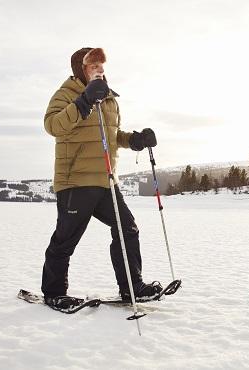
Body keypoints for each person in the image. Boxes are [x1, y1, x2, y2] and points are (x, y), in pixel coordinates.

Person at [41, 47, 162, 309]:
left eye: (101, 65)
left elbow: (112, 135)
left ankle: (132, 287)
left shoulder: (108, 98)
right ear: (80, 69)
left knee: (127, 228)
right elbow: (53, 126)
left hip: (106, 182)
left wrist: (136, 140)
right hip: (76, 180)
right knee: (66, 238)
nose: (100, 70)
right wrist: (83, 102)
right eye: (93, 66)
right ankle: (53, 292)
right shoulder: (66, 94)